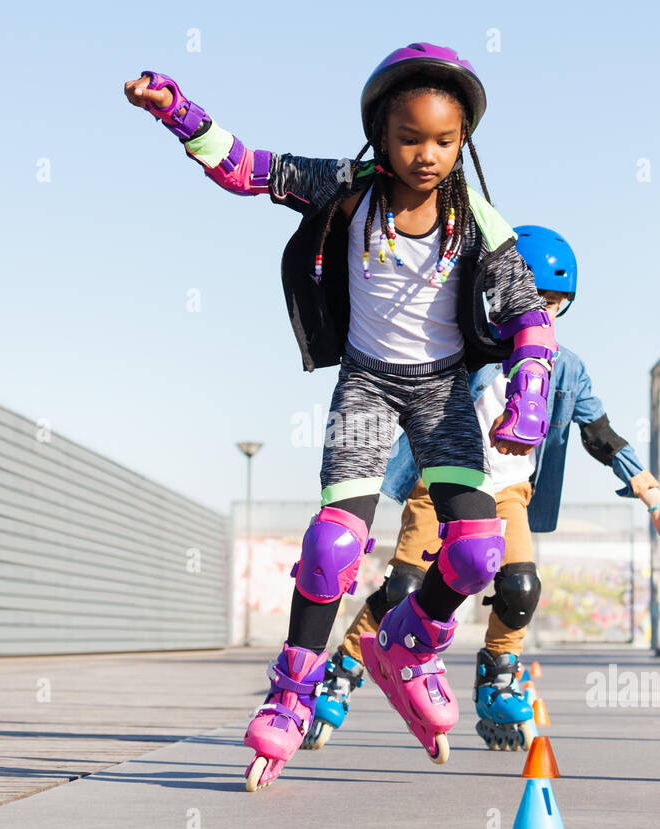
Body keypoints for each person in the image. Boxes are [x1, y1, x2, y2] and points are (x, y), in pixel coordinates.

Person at [125, 43, 559, 790]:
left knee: (479, 553)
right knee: (332, 547)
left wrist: (530, 393)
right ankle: (292, 693)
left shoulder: (478, 219)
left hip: (440, 392)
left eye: (446, 140)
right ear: (381, 138)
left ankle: (409, 643)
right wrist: (178, 113)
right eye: (411, 138)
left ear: (465, 142)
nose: (429, 155)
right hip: (367, 384)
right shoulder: (348, 188)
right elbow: (247, 168)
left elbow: (529, 316)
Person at [303, 227, 660, 751]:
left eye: (555, 305)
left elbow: (602, 438)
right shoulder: (467, 345)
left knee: (520, 588)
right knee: (405, 590)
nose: (543, 315)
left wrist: (657, 501)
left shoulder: (566, 368)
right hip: (439, 482)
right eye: (535, 301)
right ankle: (344, 668)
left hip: (509, 494)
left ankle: (498, 675)